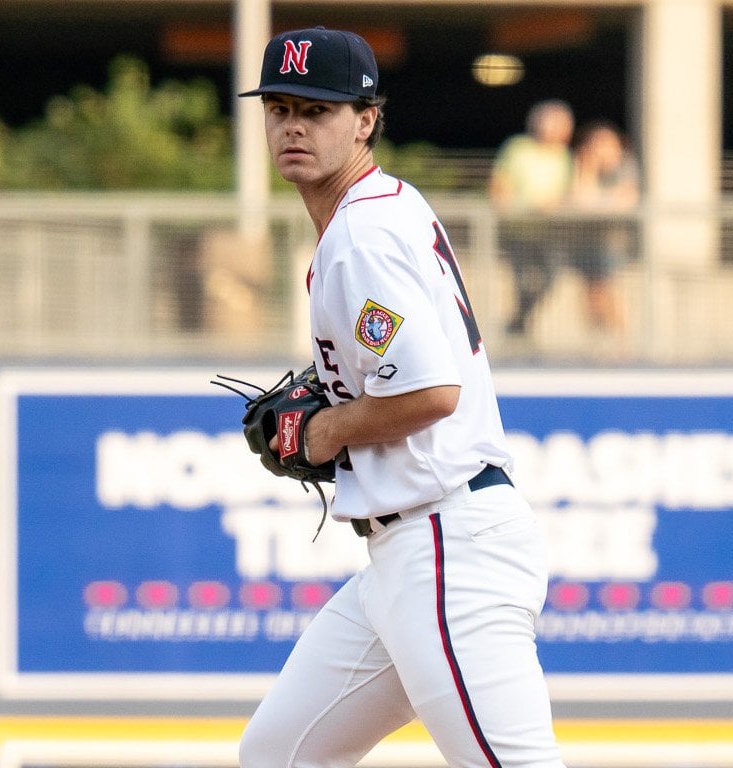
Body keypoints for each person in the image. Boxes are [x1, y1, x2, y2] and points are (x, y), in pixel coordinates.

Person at [236, 27, 565, 768]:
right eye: (279, 107)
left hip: (447, 545)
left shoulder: (360, 236)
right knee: (279, 756)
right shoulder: (382, 207)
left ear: (364, 119)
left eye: (315, 110)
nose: (292, 125)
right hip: (404, 555)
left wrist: (320, 435)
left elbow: (431, 391)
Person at [488, 100, 575, 338]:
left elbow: (567, 191)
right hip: (519, 229)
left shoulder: (564, 156)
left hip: (548, 231)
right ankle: (519, 326)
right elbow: (500, 184)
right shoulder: (518, 148)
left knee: (551, 277)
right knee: (521, 281)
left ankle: (519, 321)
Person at [568, 120, 639, 337]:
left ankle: (620, 341)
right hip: (587, 242)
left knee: (609, 289)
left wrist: (596, 201)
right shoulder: (582, 164)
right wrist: (588, 166)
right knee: (591, 291)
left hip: (613, 243)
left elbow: (624, 201)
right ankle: (597, 340)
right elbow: (580, 199)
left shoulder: (625, 166)